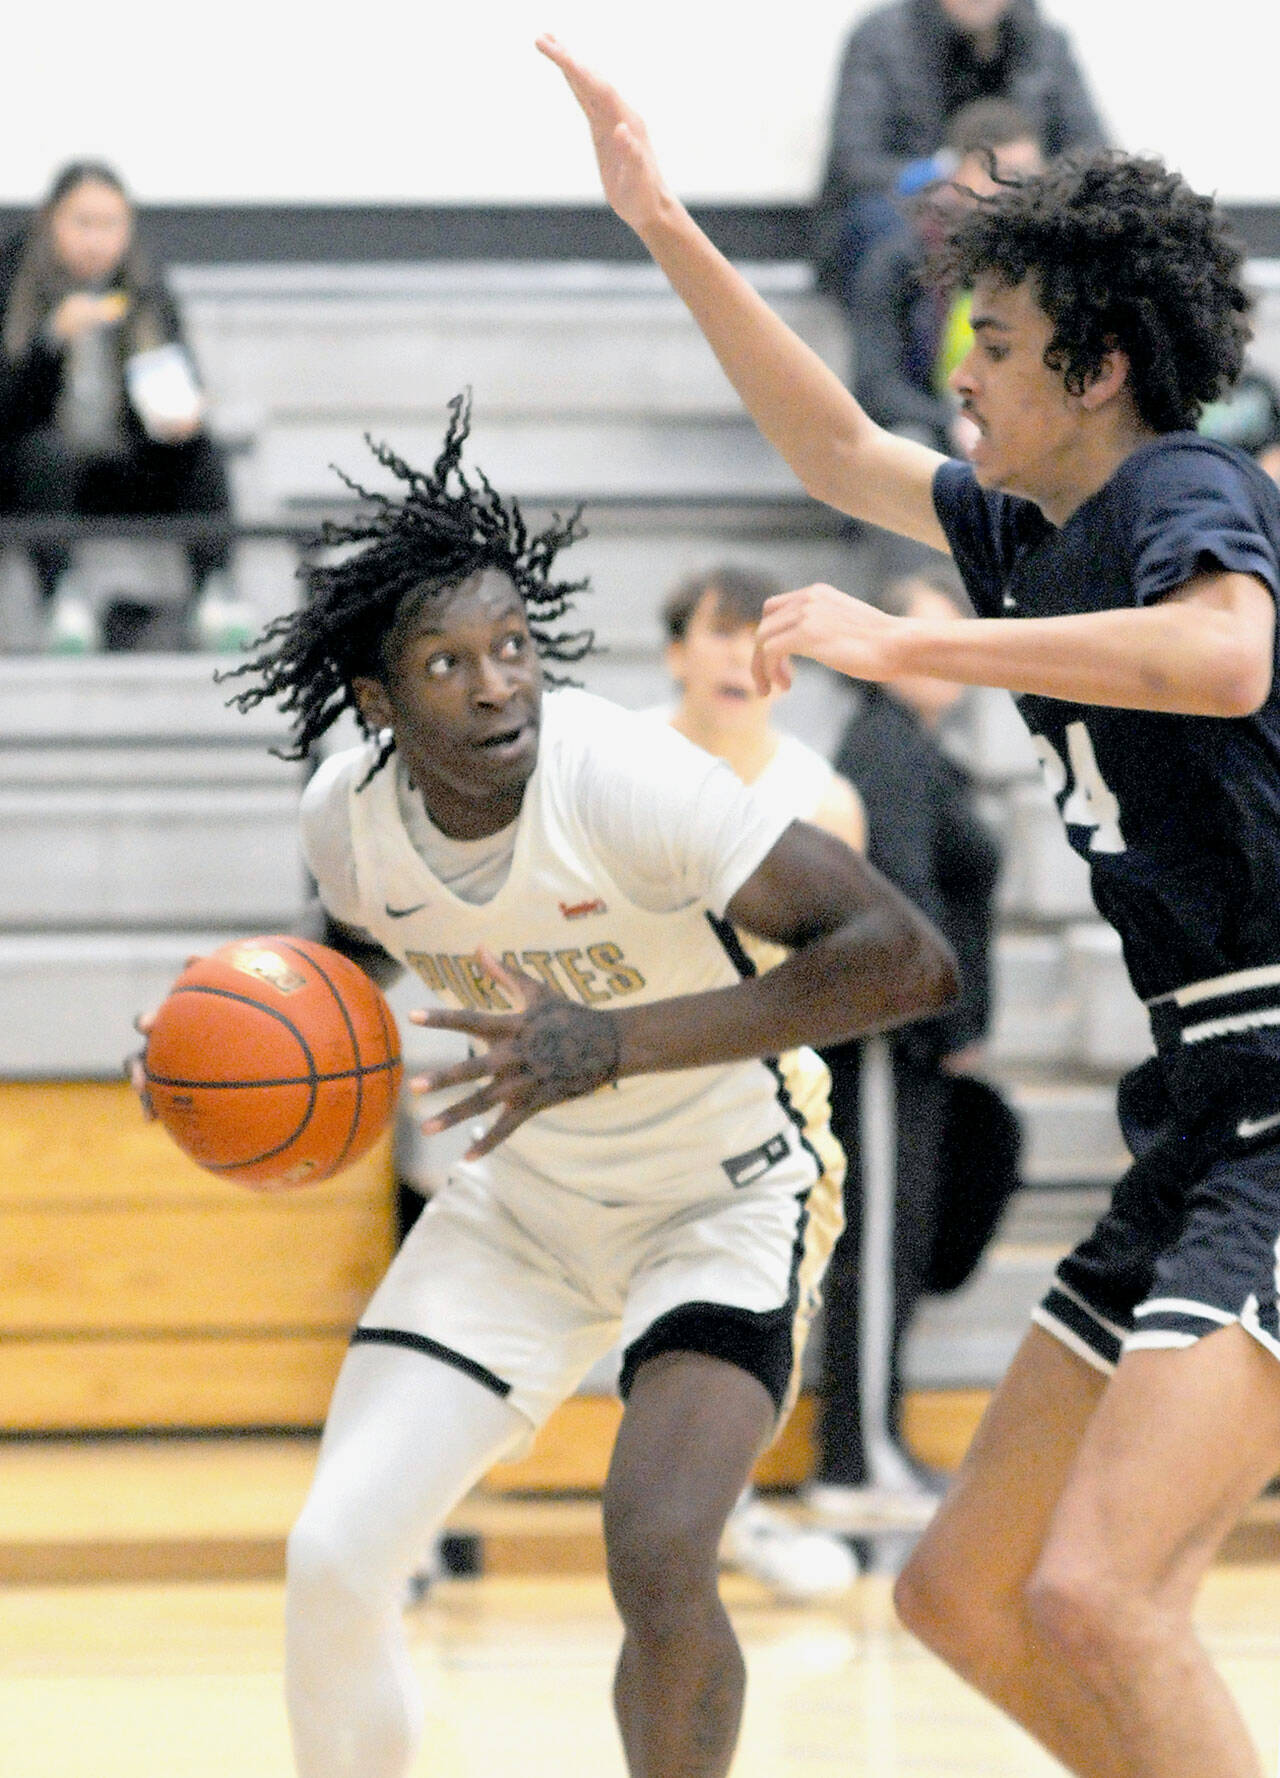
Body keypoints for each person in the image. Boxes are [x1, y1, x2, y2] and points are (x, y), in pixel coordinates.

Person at [542, 39, 1280, 1777]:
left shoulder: (1183, 491)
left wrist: (909, 637)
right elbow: (826, 437)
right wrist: (665, 221)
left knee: (1102, 1595)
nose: (964, 371)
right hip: (1199, 1104)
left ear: (1099, 368)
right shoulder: (1026, 521)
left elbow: (1228, 650)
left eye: (1000, 346)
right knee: (966, 1590)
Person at [158, 397, 954, 1778]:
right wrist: (200, 1053)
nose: (495, 685)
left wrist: (617, 1039)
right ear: (377, 699)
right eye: (448, 662)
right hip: (519, 1210)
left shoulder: (628, 777)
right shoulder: (345, 821)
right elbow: (334, 970)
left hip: (722, 1195)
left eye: (514, 646)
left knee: (654, 1547)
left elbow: (909, 959)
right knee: (336, 1556)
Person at [656, 560, 866, 1598]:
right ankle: (425, 1521)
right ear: (674, 652)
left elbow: (841, 973)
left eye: (756, 636)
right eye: (714, 633)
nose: (736, 656)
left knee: (732, 1328)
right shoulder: (617, 762)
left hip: (750, 1096)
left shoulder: (820, 796)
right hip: (617, 1071)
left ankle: (729, 1514)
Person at [811, 566, 1006, 1529]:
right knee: (875, 1246)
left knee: (897, 1241)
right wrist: (947, 1023)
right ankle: (854, 1462)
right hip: (890, 1044)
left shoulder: (917, 747)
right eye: (927, 632)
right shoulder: (883, 748)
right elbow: (901, 891)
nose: (952, 647)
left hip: (917, 1046)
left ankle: (872, 1448)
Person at [0, 161, 245, 652]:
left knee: (200, 450)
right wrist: (50, 345)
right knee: (41, 455)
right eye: (82, 223)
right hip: (33, 474)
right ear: (51, 222)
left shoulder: (145, 288)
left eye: (109, 224)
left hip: (121, 466)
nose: (96, 240)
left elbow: (179, 374)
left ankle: (216, 594)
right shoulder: (14, 281)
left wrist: (180, 410)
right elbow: (8, 413)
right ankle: (63, 603)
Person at [812, 0, 1103, 305]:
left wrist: (1025, 178)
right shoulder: (882, 38)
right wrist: (949, 175)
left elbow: (1091, 152)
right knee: (893, 238)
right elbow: (854, 162)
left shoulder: (1044, 41)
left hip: (1022, 205)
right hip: (914, 213)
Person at [849, 98, 1044, 457]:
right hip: (934, 429)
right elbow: (877, 386)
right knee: (904, 447)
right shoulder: (899, 263)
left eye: (1027, 177)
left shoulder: (1050, 265)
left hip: (1022, 426)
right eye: (999, 175)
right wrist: (955, 421)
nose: (1014, 192)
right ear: (959, 174)